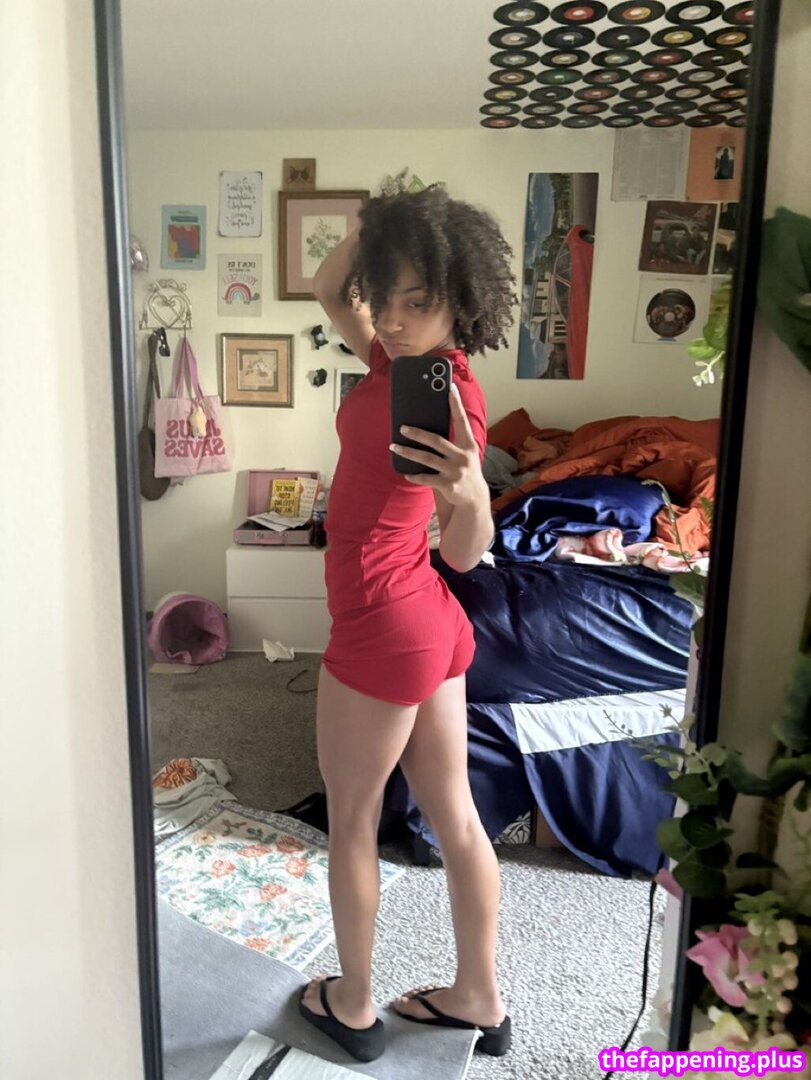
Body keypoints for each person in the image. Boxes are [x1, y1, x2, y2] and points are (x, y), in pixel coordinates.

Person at [297, 185, 517, 1063]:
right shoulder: (400, 366)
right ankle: (478, 998)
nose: (390, 319)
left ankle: (352, 1003)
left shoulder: (447, 398)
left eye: (416, 302)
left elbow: (464, 552)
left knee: (353, 819)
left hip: (384, 620)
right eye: (385, 296)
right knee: (453, 815)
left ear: (459, 301)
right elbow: (328, 290)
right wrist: (378, 225)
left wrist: (473, 498)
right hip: (423, 621)